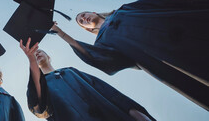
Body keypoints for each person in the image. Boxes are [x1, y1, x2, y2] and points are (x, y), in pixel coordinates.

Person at [50, 0, 209, 110]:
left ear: (92, 12)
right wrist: (61, 33)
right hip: (167, 56)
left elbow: (161, 3)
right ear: (86, 29)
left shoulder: (124, 10)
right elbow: (97, 58)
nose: (84, 18)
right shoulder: (103, 43)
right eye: (81, 21)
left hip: (183, 26)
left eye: (83, 15)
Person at [20, 38, 155, 121]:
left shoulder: (71, 72)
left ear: (49, 57)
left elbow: (107, 92)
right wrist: (31, 60)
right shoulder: (40, 85)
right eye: (35, 54)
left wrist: (134, 111)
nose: (37, 53)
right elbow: (39, 107)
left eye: (40, 51)